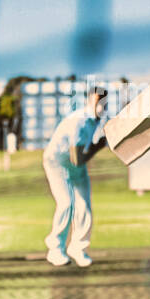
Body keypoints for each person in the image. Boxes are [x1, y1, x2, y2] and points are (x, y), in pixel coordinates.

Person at [41, 87, 108, 267]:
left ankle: (78, 248)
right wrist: (98, 146)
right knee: (66, 203)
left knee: (84, 205)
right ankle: (55, 249)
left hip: (75, 163)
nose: (101, 106)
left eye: (104, 102)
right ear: (89, 102)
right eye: (97, 102)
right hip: (57, 162)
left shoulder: (98, 121)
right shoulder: (79, 121)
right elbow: (77, 159)